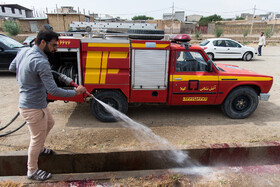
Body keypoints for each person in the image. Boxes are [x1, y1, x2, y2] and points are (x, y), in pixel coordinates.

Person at [9, 29, 86, 181]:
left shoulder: (24, 51)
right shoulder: (42, 62)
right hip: (32, 107)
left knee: (50, 122)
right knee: (36, 138)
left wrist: (27, 78)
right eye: (54, 45)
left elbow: (12, 67)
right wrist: (76, 92)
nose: (56, 49)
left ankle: (40, 149)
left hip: (36, 103)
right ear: (42, 42)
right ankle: (32, 171)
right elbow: (53, 90)